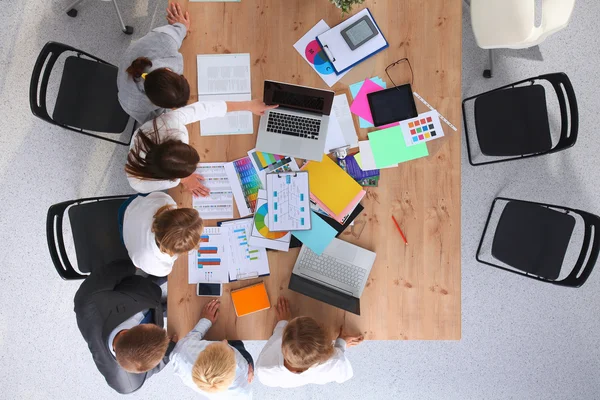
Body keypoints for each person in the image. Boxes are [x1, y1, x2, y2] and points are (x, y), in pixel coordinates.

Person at [125, 98, 276, 196]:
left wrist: (248, 105)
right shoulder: (139, 182)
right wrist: (184, 180)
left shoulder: (169, 123)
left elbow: (204, 109)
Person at [73, 259, 175, 394]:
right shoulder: (129, 382)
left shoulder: (89, 301)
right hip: (148, 302)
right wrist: (171, 347)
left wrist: (141, 260)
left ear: (124, 333)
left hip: (134, 288)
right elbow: (152, 366)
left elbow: (113, 270)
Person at [256, 296, 364, 388]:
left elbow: (275, 338)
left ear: (283, 346)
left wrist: (283, 322)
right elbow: (344, 375)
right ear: (326, 349)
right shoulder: (335, 361)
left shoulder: (264, 368)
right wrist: (341, 344)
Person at [117, 2, 191, 124]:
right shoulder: (132, 104)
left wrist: (181, 27)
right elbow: (152, 123)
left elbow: (178, 30)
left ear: (168, 70)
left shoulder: (165, 42)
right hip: (125, 79)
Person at [171, 300, 254, 398]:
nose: (225, 341)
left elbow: (192, 336)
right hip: (243, 370)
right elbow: (246, 369)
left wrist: (206, 320)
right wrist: (248, 366)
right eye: (229, 349)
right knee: (240, 349)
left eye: (215, 345)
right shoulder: (243, 387)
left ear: (202, 353)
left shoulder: (182, 352)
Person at [121, 191, 203, 277]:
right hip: (128, 237)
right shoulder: (157, 264)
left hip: (129, 208)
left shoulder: (164, 201)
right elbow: (164, 269)